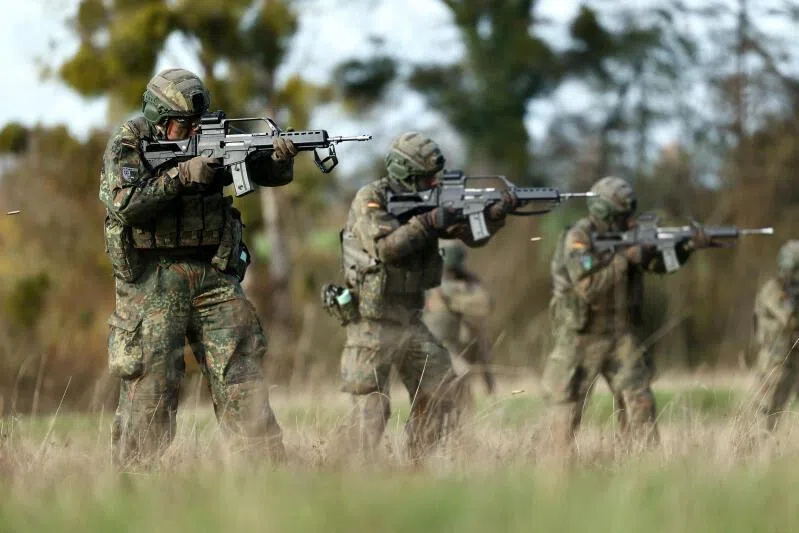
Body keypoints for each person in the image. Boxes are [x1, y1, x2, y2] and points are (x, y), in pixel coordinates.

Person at [100, 68, 296, 465]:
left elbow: (260, 170)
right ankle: (136, 486)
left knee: (241, 376)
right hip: (152, 281)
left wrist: (277, 158)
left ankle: (268, 483)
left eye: (195, 125)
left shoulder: (213, 135)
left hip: (214, 273)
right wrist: (182, 175)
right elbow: (125, 205)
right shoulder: (128, 142)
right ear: (158, 119)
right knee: (152, 386)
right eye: (181, 126)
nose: (191, 133)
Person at [338, 131, 515, 457]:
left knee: (443, 391)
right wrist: (430, 221)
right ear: (406, 173)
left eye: (436, 178)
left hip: (409, 320)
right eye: (427, 178)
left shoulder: (427, 200)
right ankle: (346, 474)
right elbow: (386, 247)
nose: (434, 184)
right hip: (370, 323)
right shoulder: (371, 198)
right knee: (372, 411)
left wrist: (493, 216)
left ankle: (418, 464)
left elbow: (471, 237)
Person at [543, 176, 707, 446]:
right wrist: (626, 258)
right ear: (603, 212)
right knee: (566, 413)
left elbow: (659, 265)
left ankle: (643, 470)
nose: (629, 222)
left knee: (640, 403)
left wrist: (686, 247)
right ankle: (554, 475)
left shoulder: (627, 236)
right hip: (581, 336)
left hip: (620, 335)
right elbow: (589, 287)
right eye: (622, 216)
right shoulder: (578, 237)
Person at [423, 241, 496, 394]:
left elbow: (485, 304)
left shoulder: (458, 285)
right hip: (437, 348)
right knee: (460, 374)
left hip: (452, 346)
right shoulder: (439, 286)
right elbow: (485, 303)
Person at [751, 240, 799, 432]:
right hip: (774, 360)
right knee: (767, 410)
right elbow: (788, 319)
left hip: (793, 356)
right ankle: (758, 450)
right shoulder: (772, 291)